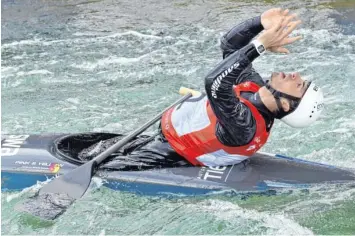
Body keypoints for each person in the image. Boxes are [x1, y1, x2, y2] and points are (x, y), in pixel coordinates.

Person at [86, 8, 324, 170]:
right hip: (164, 136)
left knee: (102, 169)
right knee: (91, 149)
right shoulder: (256, 88)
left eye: (299, 85)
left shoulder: (245, 125)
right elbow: (230, 46)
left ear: (285, 104)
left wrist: (260, 47)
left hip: (169, 154)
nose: (296, 75)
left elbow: (214, 83)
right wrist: (261, 22)